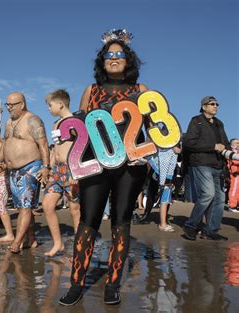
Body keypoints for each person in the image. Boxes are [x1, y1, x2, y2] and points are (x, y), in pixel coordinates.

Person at [59, 29, 148, 306]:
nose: (114, 58)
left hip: (130, 165)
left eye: (120, 54)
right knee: (89, 221)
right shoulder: (91, 90)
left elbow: (153, 128)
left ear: (128, 60)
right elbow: (81, 128)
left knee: (122, 221)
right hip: (96, 163)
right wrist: (72, 164)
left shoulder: (141, 91)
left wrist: (147, 152)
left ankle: (112, 285)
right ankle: (76, 284)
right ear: (102, 60)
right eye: (109, 54)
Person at [0, 92, 50, 254]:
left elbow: (43, 144)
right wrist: (0, 160)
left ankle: (17, 242)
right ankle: (31, 239)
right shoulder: (8, 123)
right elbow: (5, 143)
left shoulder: (32, 120)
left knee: (26, 207)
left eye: (12, 105)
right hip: (13, 170)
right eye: (7, 105)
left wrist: (46, 166)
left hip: (30, 167)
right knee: (21, 208)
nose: (9, 108)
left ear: (22, 104)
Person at [182, 96, 230, 241]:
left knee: (220, 200)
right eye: (212, 104)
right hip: (201, 163)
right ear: (204, 107)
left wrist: (228, 153)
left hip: (218, 166)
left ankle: (210, 231)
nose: (216, 106)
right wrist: (213, 146)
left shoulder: (219, 123)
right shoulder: (196, 121)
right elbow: (189, 143)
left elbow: (226, 143)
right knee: (208, 194)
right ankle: (190, 226)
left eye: (217, 104)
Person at [42, 89, 81, 257]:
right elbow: (55, 148)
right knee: (47, 205)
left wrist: (75, 173)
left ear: (60, 104)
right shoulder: (55, 124)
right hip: (57, 170)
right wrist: (49, 168)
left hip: (72, 169)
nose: (49, 109)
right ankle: (58, 244)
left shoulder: (75, 122)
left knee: (74, 209)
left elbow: (82, 145)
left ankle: (81, 245)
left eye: (50, 105)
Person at [227, 138, 239, 213]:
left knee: (237, 190)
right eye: (236, 143)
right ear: (231, 145)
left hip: (237, 173)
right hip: (234, 173)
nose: (238, 144)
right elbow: (234, 161)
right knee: (234, 190)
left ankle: (236, 204)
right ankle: (232, 206)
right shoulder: (231, 153)